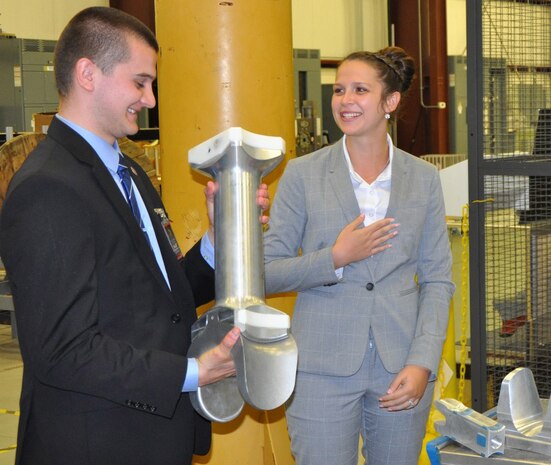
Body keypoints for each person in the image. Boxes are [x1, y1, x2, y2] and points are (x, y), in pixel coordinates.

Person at [0, 7, 268, 465]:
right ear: (88, 73)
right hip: (96, 444)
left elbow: (163, 301)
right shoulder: (49, 187)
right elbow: (63, 349)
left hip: (148, 436)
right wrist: (191, 373)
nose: (150, 99)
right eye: (139, 82)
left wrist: (218, 240)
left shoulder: (129, 173)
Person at [264, 46, 455, 465]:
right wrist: (334, 257)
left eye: (360, 90)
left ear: (390, 102)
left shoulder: (423, 180)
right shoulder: (302, 174)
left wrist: (423, 361)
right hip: (320, 369)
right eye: (339, 90)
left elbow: (438, 280)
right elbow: (266, 270)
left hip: (401, 367)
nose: (345, 100)